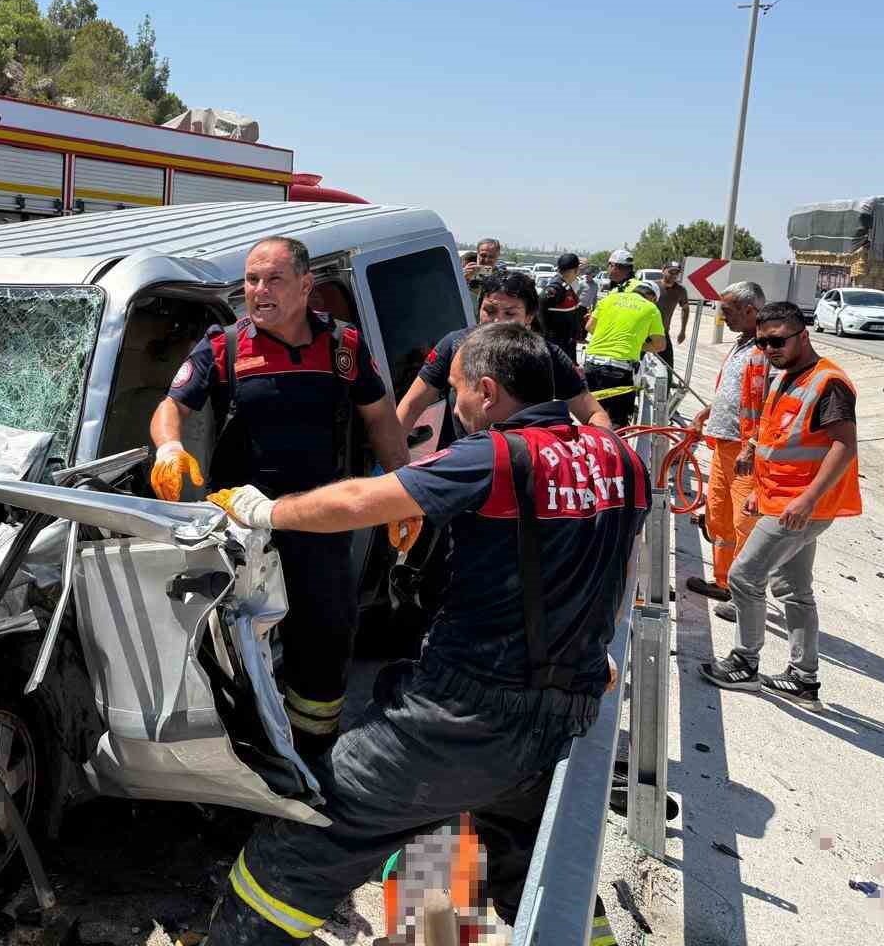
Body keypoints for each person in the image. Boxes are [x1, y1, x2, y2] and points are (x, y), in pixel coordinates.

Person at [203, 323, 647, 944]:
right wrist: (591, 648)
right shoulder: (622, 458)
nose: (455, 408)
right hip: (561, 712)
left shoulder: (493, 455)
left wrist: (262, 510)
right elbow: (619, 566)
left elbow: (360, 501)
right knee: (537, 868)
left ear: (488, 391)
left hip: (461, 716)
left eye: (458, 393)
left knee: (302, 841)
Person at [149, 236, 409, 753]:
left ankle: (314, 753)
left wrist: (403, 489)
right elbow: (170, 406)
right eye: (251, 280)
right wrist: (168, 448)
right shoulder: (224, 345)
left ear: (306, 285)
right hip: (241, 524)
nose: (258, 291)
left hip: (320, 519)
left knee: (326, 631)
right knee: (238, 636)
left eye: (273, 280)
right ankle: (247, 750)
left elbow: (380, 416)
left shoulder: (342, 346)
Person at [700, 302, 860, 709]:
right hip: (779, 499)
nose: (769, 347)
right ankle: (804, 678)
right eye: (762, 341)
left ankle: (744, 663)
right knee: (793, 589)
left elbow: (844, 445)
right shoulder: (785, 377)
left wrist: (808, 499)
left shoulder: (828, 383)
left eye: (778, 340)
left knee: (744, 576)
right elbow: (778, 442)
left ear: (803, 336)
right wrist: (758, 488)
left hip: (800, 506)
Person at [397, 273, 612, 444]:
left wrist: (599, 456)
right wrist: (394, 465)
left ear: (529, 317)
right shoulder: (454, 345)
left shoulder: (547, 355)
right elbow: (410, 406)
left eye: (510, 314)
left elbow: (593, 414)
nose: (497, 321)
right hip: (460, 471)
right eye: (489, 311)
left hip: (526, 476)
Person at [683, 282, 766, 611]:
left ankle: (745, 598)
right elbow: (735, 392)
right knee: (720, 516)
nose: (721, 317)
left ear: (749, 311)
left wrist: (754, 445)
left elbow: (768, 403)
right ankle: (724, 582)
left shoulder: (765, 350)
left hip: (748, 451)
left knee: (746, 524)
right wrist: (710, 411)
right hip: (724, 444)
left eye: (728, 311)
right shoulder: (742, 344)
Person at [583, 277, 666, 427]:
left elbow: (589, 326)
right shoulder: (651, 308)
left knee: (592, 417)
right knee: (616, 423)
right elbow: (659, 345)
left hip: (591, 364)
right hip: (619, 370)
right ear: (653, 297)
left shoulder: (609, 299)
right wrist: (637, 345)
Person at [540, 252, 586, 358]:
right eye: (578, 269)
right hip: (555, 348)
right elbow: (539, 311)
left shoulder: (565, 287)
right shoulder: (556, 289)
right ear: (574, 270)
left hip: (565, 347)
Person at [655, 262, 691, 371]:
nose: (673, 275)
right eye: (671, 272)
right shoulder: (653, 286)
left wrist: (683, 331)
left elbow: (685, 308)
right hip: (645, 332)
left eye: (676, 273)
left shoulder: (680, 290)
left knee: (668, 366)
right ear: (663, 270)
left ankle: (667, 385)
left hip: (663, 332)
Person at [462, 238, 502, 305]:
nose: (486, 260)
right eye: (483, 255)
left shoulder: (503, 279)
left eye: (491, 256)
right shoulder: (464, 274)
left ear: (497, 256)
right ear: (477, 254)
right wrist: (462, 279)